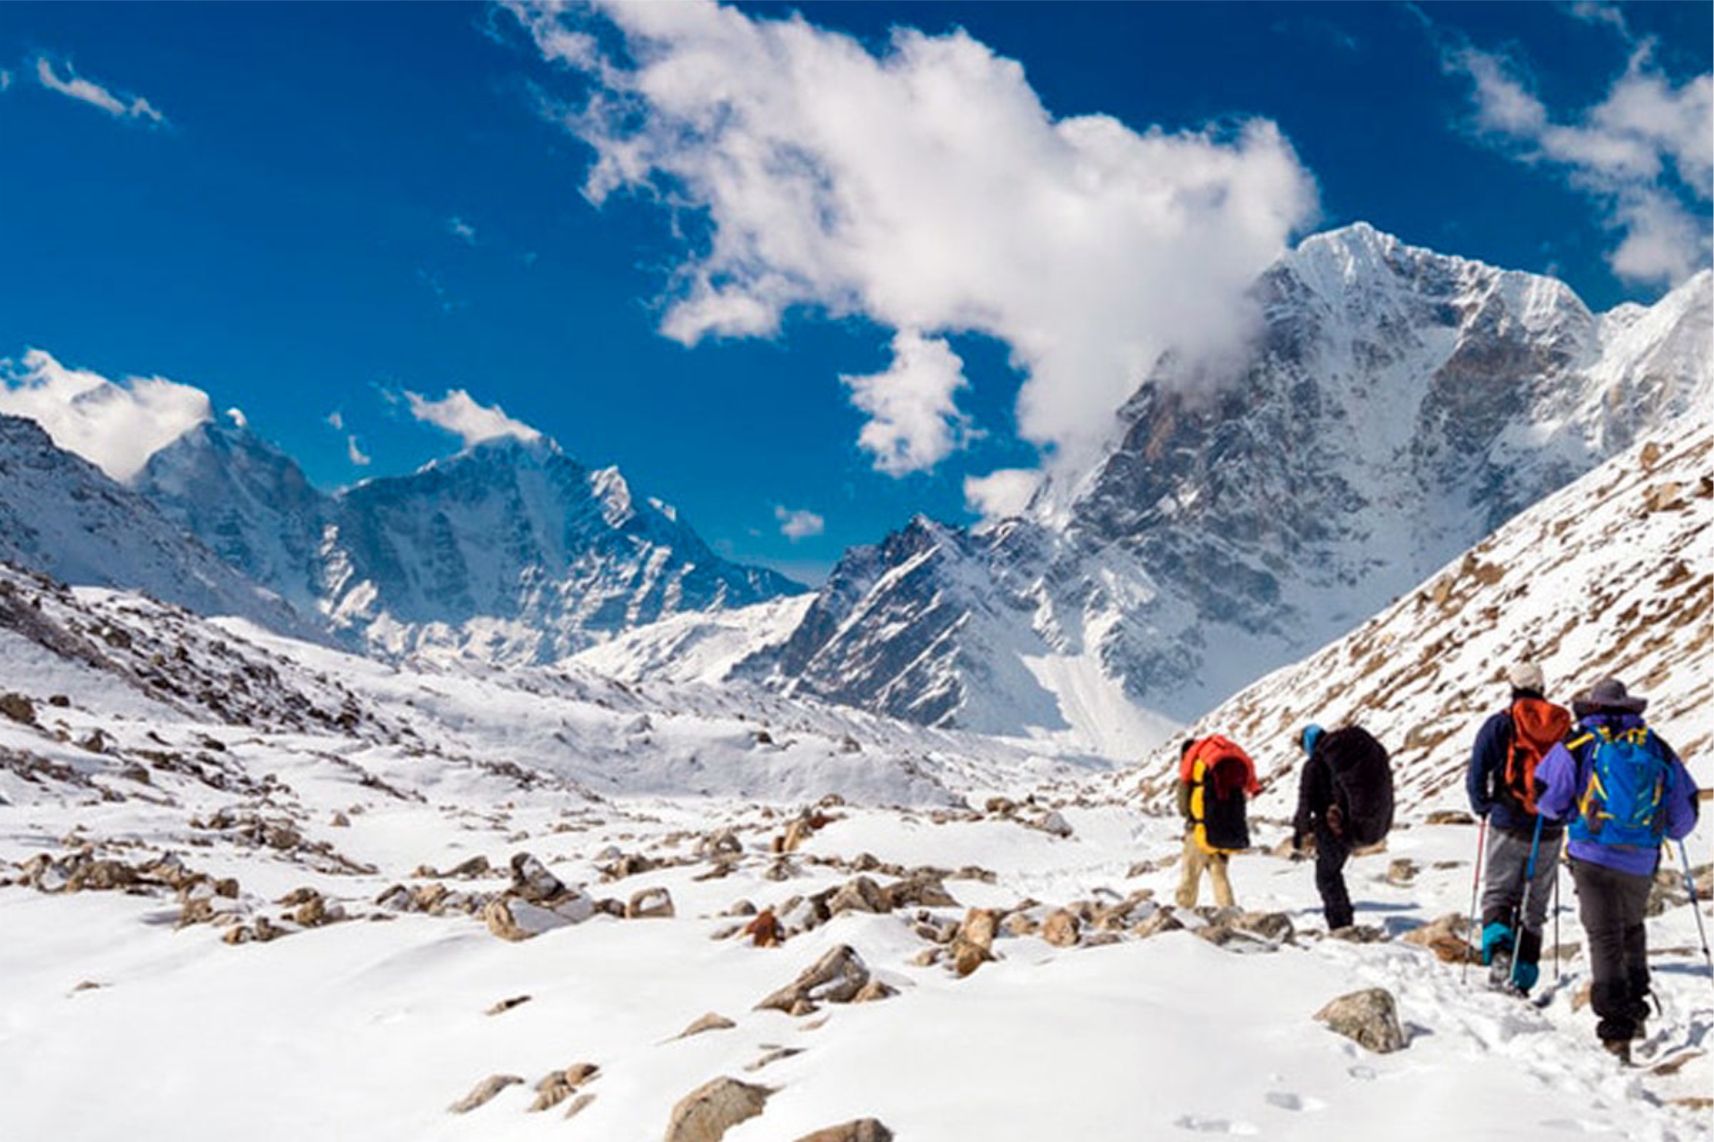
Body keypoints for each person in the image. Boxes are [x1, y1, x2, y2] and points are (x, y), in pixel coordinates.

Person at [1535, 677, 1698, 1063]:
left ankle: (1616, 1031)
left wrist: (1568, 813)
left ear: (1592, 707)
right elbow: (1683, 812)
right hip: (1640, 856)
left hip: (1591, 854)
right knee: (1631, 926)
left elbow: (1548, 799)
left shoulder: (1578, 743)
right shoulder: (1654, 745)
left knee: (1603, 935)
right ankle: (1637, 1003)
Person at [1466, 662, 1572, 994]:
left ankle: (1499, 955)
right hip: (1549, 826)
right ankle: (1524, 976)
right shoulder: (1562, 726)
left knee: (1499, 892)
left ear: (1512, 686)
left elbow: (1477, 773)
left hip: (1507, 821)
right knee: (1535, 902)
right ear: (1542, 686)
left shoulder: (1499, 724)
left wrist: (1485, 807)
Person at [1292, 723, 1394, 932]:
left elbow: (1305, 803)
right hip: (1348, 825)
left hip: (1328, 826)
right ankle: (1344, 920)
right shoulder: (1340, 757)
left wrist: (1300, 831)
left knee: (1327, 877)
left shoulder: (1313, 765)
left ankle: (1340, 926)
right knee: (1334, 873)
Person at [1175, 734, 1261, 909]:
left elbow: (1183, 807)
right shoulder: (1215, 764)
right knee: (1219, 873)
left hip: (1197, 829)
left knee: (1190, 873)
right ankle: (1228, 910)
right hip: (1222, 828)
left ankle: (1183, 913)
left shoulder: (1193, 769)